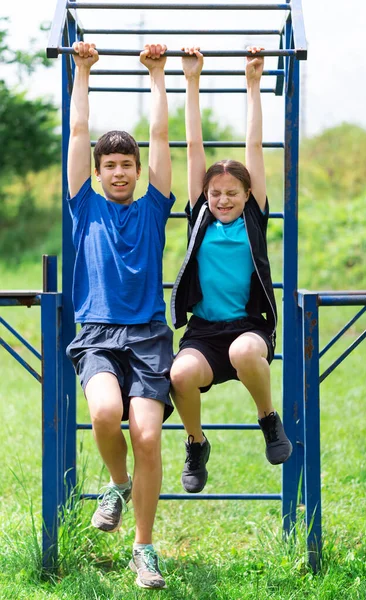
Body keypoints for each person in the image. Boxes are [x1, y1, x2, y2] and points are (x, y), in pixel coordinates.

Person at [66, 41, 174, 589]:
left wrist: (157, 75)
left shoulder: (154, 208)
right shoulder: (84, 206)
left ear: (137, 171)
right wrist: (82, 72)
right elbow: (78, 133)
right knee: (107, 415)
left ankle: (144, 549)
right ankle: (116, 482)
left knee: (149, 437)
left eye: (126, 165)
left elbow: (159, 138)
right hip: (99, 334)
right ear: (97, 172)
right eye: (108, 166)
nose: (117, 172)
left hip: (150, 335)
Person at [170, 47, 292, 495]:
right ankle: (196, 443)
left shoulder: (254, 218)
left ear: (247, 195)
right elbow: (193, 150)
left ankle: (268, 419)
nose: (223, 200)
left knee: (244, 354)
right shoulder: (199, 215)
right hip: (203, 332)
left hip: (247, 328)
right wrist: (192, 80)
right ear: (205, 195)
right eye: (216, 192)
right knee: (180, 375)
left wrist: (254, 83)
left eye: (232, 193)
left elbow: (253, 146)